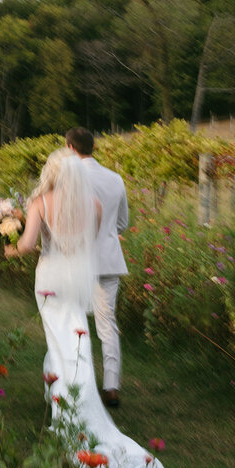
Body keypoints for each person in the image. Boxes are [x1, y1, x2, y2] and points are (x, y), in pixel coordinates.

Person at [5, 148, 185, 468]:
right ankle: (69, 400)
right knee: (75, 342)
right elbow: (88, 246)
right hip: (76, 282)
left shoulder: (40, 202)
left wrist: (9, 249)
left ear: (53, 173)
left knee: (59, 342)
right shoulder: (96, 207)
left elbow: (27, 244)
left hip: (48, 281)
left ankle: (65, 408)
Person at [66, 127, 128, 407]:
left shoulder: (70, 178)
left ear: (70, 148)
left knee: (75, 321)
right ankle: (111, 387)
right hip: (109, 259)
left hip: (80, 260)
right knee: (107, 323)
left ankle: (80, 383)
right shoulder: (115, 179)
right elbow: (122, 223)